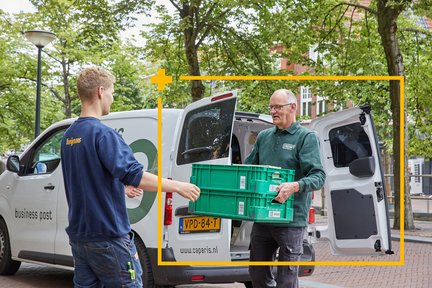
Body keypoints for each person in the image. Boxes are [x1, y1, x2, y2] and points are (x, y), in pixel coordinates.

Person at [60, 67, 200, 288]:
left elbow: (87, 179)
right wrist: (178, 186)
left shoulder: (69, 136)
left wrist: (118, 188)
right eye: (111, 92)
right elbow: (135, 175)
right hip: (108, 238)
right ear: (100, 91)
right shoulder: (104, 135)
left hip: (80, 238)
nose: (112, 98)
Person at [244, 89, 325, 288]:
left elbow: (318, 176)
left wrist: (295, 185)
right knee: (257, 274)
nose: (273, 111)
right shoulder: (263, 136)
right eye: (271, 107)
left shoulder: (306, 137)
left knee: (287, 279)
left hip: (291, 220)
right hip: (263, 218)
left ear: (293, 107)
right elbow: (248, 168)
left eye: (278, 107)